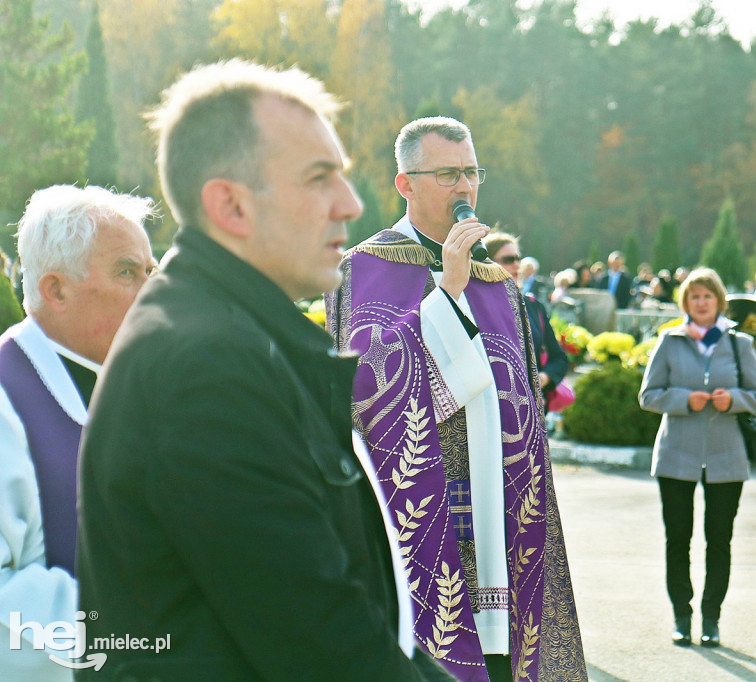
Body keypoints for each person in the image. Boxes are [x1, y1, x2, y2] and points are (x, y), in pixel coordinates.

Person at [76, 60, 448, 680]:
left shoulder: (232, 335)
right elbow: (326, 646)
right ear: (231, 205)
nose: (349, 204)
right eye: (318, 178)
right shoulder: (205, 369)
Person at [326, 116, 586, 681]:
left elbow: (521, 398)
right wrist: (445, 290)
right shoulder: (365, 268)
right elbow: (363, 389)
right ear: (406, 184)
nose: (465, 188)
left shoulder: (499, 283)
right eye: (448, 174)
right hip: (417, 503)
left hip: (499, 506)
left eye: (471, 172)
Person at [0, 185, 155, 679]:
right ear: (55, 290)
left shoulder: (141, 387)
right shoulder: (7, 396)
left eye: (151, 273)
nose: (150, 291)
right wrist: (158, 634)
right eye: (128, 272)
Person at [638, 267, 756, 649]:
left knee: (719, 539)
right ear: (685, 303)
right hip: (676, 454)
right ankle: (682, 615)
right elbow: (649, 396)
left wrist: (735, 400)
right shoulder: (669, 341)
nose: (701, 303)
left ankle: (711, 617)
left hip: (727, 456)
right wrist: (682, 400)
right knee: (678, 538)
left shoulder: (739, 343)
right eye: (694, 297)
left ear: (718, 301)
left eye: (707, 297)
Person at [484, 232, 569, 414]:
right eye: (508, 259)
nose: (516, 264)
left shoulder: (532, 306)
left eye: (518, 258)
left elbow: (559, 359)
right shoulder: (473, 306)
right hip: (492, 412)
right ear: (486, 262)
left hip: (532, 411)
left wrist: (543, 378)